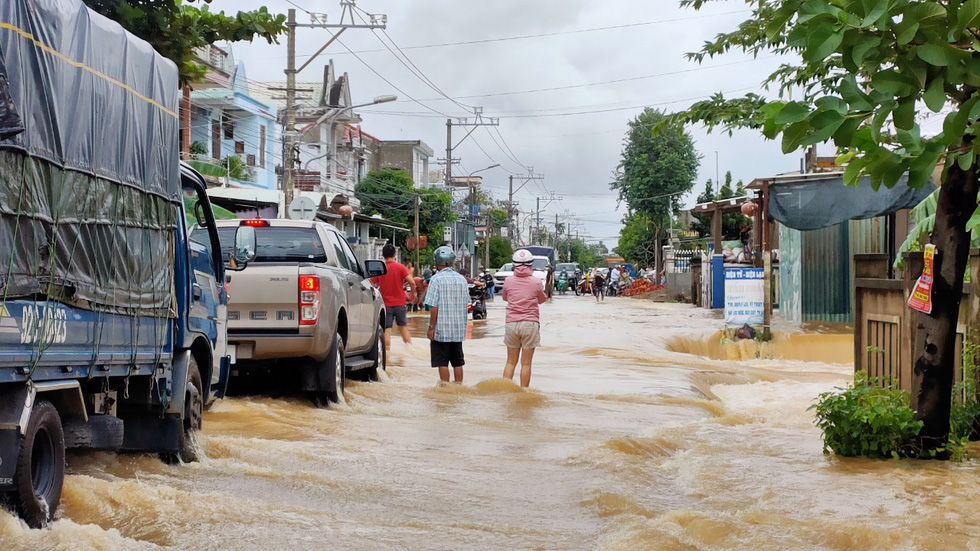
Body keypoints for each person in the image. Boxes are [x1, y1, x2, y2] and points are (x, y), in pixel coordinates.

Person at [501, 249, 548, 387]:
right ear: (531, 264)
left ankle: (505, 391)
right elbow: (541, 300)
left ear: (514, 264)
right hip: (530, 323)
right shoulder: (536, 282)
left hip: (511, 323)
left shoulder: (508, 281)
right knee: (526, 363)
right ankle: (524, 392)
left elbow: (505, 297)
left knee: (510, 362)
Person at [425, 246, 470, 384]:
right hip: (458, 330)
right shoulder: (462, 280)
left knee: (442, 362)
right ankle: (458, 388)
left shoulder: (436, 280)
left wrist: (431, 327)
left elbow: (434, 306)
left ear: (437, 262)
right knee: (458, 362)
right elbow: (467, 304)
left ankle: (446, 389)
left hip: (441, 330)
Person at [370, 243, 416, 350]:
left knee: (387, 330)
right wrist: (412, 294)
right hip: (400, 304)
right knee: (403, 328)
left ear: (383, 256)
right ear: (395, 254)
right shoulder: (400, 267)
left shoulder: (380, 268)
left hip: (386, 305)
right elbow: (412, 282)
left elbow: (370, 282)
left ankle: (387, 356)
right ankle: (410, 352)